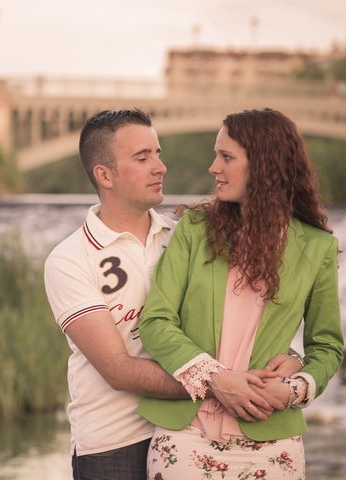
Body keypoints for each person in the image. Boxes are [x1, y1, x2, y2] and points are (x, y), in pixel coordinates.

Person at [43, 109, 298, 480]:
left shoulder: (190, 238)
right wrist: (219, 384)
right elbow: (119, 370)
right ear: (104, 175)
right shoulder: (69, 259)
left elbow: (246, 319)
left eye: (158, 154)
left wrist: (292, 357)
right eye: (142, 158)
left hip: (192, 436)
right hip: (115, 446)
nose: (160, 167)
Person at [139, 108, 344, 479]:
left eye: (226, 157)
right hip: (186, 437)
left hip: (272, 444)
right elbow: (156, 321)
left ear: (264, 164)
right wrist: (217, 378)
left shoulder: (317, 248)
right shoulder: (193, 230)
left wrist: (294, 389)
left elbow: (327, 347)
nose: (213, 168)